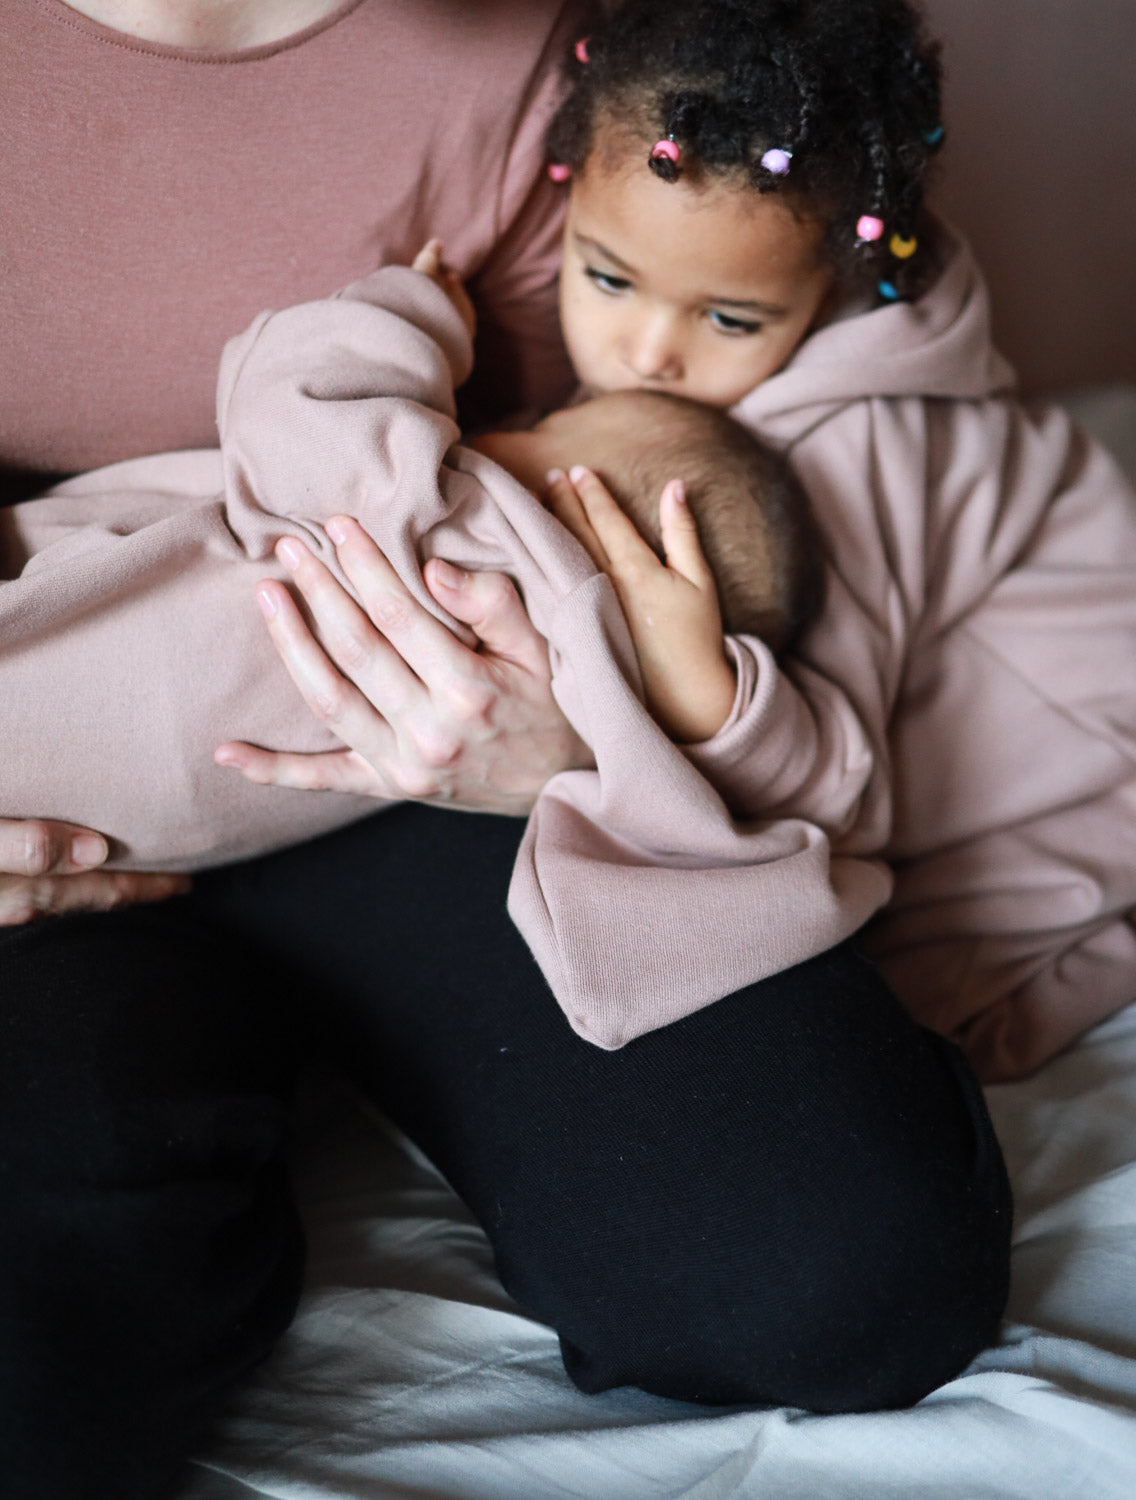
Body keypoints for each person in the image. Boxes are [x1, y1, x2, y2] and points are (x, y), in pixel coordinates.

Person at [0, 5, 1012, 1497]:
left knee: (845, 1265)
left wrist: (585, 743)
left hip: (460, 778)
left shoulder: (635, 58)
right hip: (79, 731)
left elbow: (788, 503)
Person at [256, 0, 1136, 1079]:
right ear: (564, 206)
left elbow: (840, 795)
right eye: (608, 277)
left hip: (1078, 773)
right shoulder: (684, 364)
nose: (647, 353)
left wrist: (710, 698)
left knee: (870, 1008)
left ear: (834, 290)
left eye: (728, 319)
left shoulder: (853, 449)